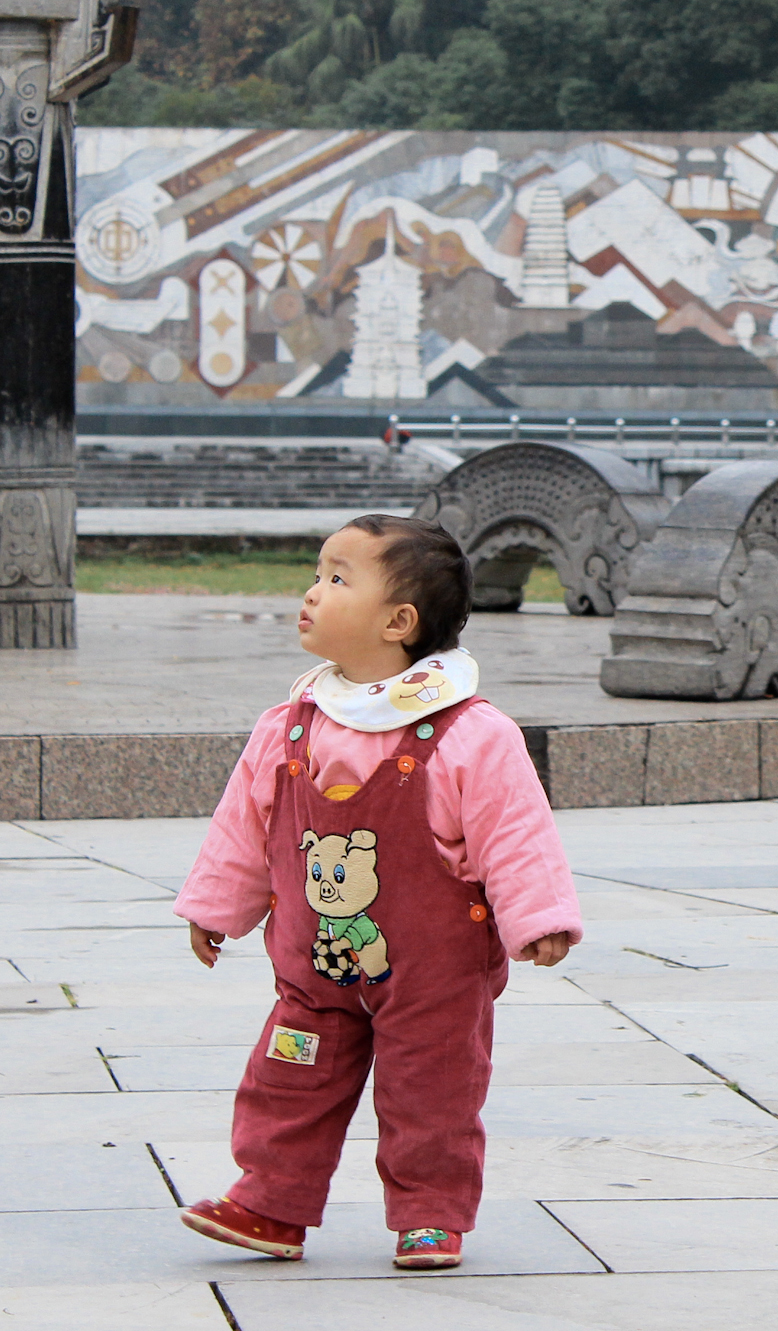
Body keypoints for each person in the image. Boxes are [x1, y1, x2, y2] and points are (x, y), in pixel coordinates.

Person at [172, 515, 583, 1271]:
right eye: (317, 573)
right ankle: (271, 1199)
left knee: (431, 1091)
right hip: (315, 968)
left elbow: (516, 830)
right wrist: (215, 906)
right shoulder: (288, 727)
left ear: (398, 621)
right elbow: (245, 826)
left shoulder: (468, 732)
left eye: (336, 578)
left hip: (434, 974)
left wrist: (538, 916)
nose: (311, 592)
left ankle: (429, 1213)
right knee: (287, 1078)